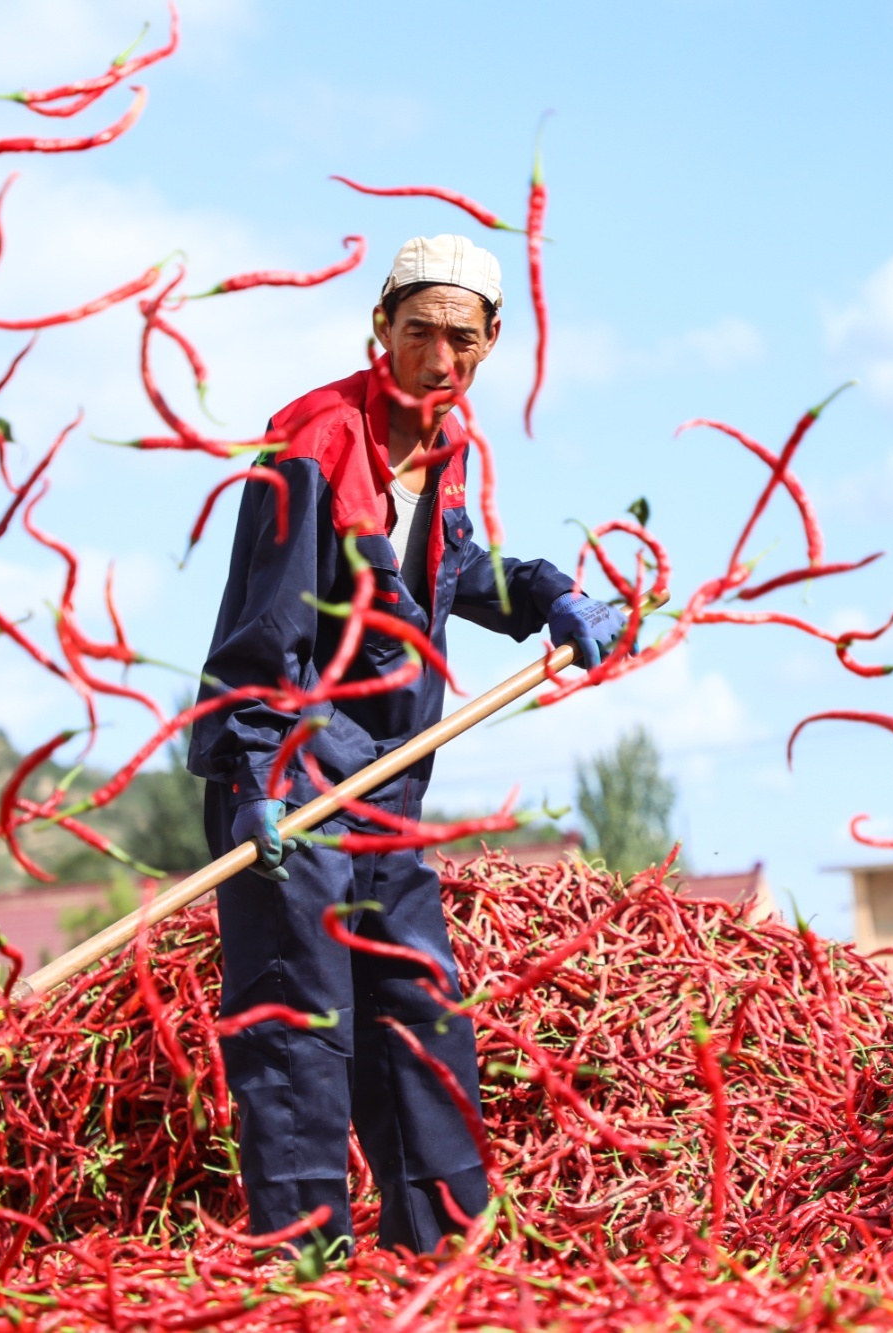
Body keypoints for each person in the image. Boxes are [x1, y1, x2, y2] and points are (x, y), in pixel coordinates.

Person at [187, 235, 626, 1255]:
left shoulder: (446, 441)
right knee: (299, 1026)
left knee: (417, 1005)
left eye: (458, 340)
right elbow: (264, 630)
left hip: (382, 787)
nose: (436, 359)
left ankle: (442, 1260)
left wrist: (548, 596)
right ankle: (305, 1276)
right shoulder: (313, 443)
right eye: (417, 332)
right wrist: (254, 775)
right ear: (378, 328)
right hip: (289, 776)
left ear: (488, 345)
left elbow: (445, 568)